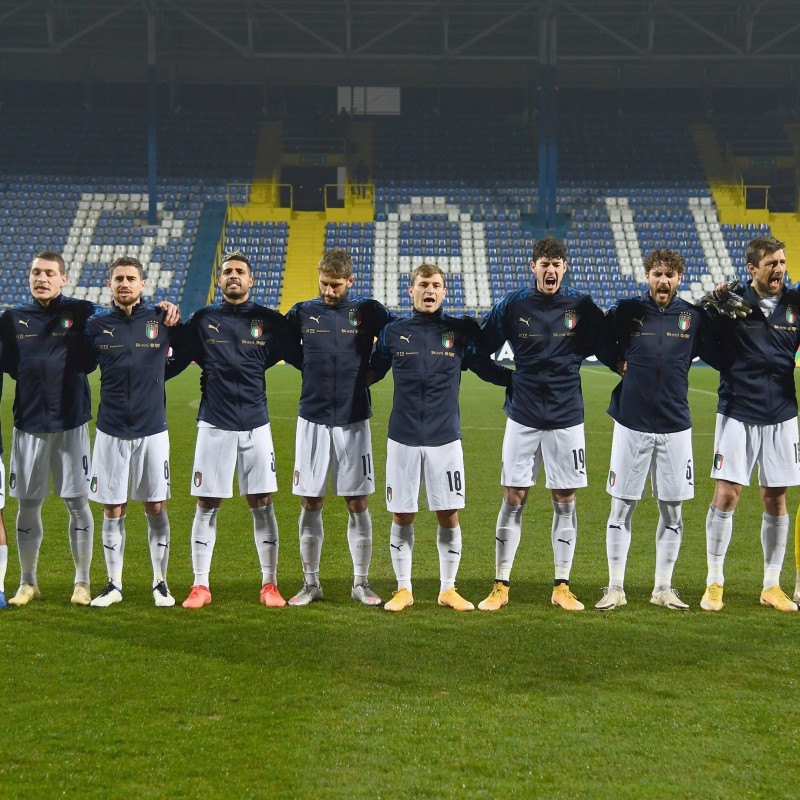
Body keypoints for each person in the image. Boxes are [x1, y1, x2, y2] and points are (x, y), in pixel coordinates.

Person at [477, 236, 615, 612]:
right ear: (533, 267)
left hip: (566, 416)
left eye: (556, 263)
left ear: (564, 267)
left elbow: (607, 344)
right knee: (514, 497)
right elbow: (479, 347)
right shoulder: (513, 304)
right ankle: (500, 585)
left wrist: (624, 365)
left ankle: (562, 586)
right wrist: (506, 378)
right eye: (544, 263)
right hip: (522, 417)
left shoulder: (581, 307)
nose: (550, 269)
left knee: (565, 499)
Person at [369, 263, 511, 612]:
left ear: (444, 292)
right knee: (402, 514)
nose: (429, 291)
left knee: (448, 513)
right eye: (423, 285)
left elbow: (485, 368)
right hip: (402, 438)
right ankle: (404, 588)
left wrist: (521, 381)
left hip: (445, 438)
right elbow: (370, 371)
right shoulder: (393, 332)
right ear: (411, 291)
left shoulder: (458, 332)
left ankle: (448, 588)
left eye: (435, 285)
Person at [168, 251, 300, 609]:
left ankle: (269, 584)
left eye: (240, 271)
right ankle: (200, 585)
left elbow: (288, 353)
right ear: (219, 280)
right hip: (214, 424)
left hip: (256, 424)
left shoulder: (268, 321)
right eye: (227, 271)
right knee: (207, 503)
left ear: (251, 280)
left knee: (262, 502)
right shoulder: (203, 320)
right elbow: (175, 358)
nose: (234, 276)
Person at [595, 249, 717, 611]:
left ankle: (663, 586)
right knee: (622, 507)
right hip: (631, 422)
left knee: (673, 511)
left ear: (679, 278)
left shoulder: (692, 317)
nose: (663, 281)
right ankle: (615, 586)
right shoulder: (627, 311)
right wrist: (616, 361)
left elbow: (714, 350)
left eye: (670, 275)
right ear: (647, 276)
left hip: (675, 423)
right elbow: (599, 339)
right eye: (657, 274)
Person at [284, 248, 394, 606]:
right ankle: (310, 583)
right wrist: (310, 367)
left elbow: (394, 339)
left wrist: (372, 372)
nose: (329, 292)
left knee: (357, 500)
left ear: (350, 281)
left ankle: (360, 582)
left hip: (353, 417)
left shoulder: (368, 312)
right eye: (324, 284)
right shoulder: (303, 312)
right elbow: (284, 346)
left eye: (336, 286)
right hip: (312, 417)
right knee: (311, 500)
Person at [700, 235, 800, 612]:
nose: (779, 269)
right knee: (727, 494)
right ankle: (714, 581)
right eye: (771, 263)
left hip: (782, 413)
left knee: (776, 497)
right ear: (752, 268)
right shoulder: (732, 303)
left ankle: (771, 585)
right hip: (738, 410)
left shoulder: (794, 303)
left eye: (782, 262)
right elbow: (701, 335)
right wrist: (711, 302)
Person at [0, 252, 97, 606]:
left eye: (49, 273)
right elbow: (11, 365)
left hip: (71, 424)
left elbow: (119, 315)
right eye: (35, 272)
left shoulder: (82, 312)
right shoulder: (11, 319)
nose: (41, 278)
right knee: (28, 504)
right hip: (28, 425)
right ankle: (28, 583)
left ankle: (82, 582)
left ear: (63, 279)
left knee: (77, 503)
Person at [84, 255, 179, 608]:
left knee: (156, 505)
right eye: (118, 278)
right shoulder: (96, 325)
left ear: (142, 285)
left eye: (131, 278)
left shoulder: (161, 319)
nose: (124, 284)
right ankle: (114, 584)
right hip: (110, 429)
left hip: (153, 429)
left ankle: (161, 583)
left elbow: (182, 354)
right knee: (113, 507)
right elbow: (79, 362)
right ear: (110, 285)